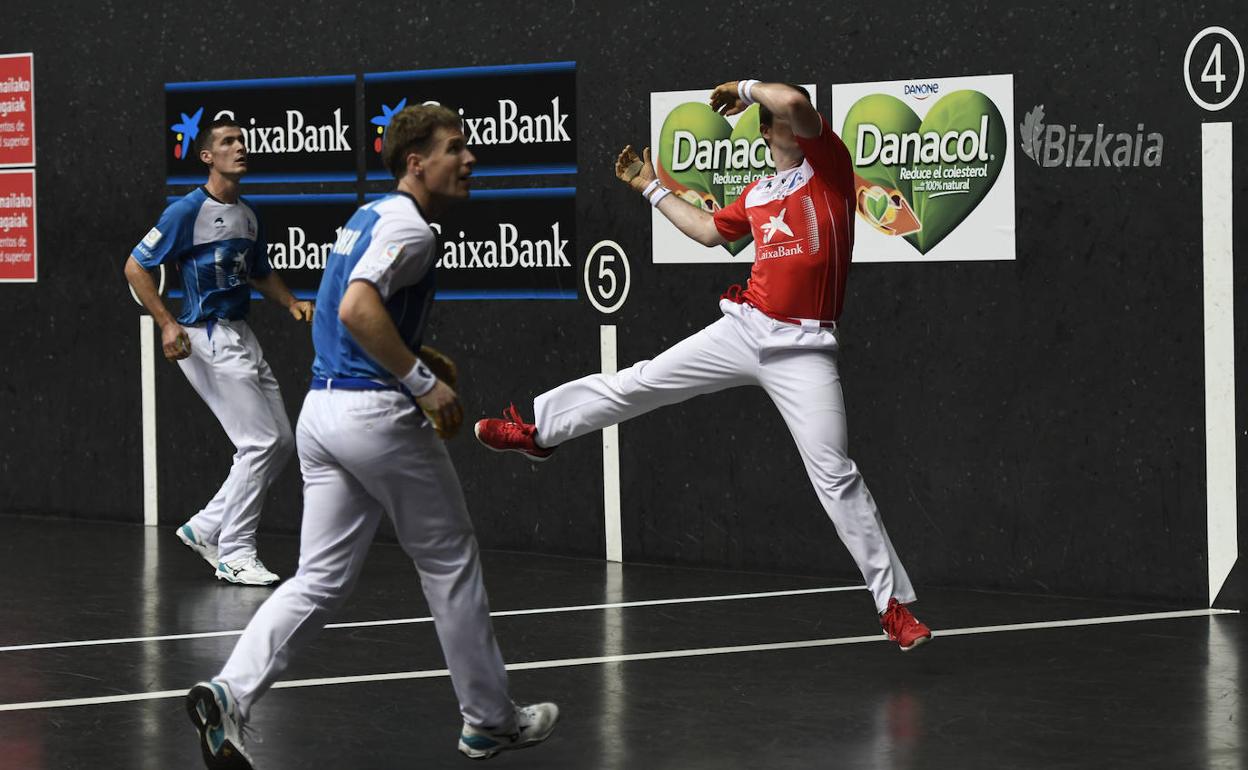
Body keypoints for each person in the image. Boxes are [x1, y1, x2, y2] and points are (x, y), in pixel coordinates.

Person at [475, 79, 932, 651]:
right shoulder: (760, 193)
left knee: (835, 473)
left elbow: (792, 102)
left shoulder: (830, 166)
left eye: (788, 115)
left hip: (805, 350)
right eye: (772, 117)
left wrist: (745, 87)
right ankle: (539, 429)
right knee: (640, 382)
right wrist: (648, 187)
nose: (793, 119)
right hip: (745, 327)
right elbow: (709, 231)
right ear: (766, 134)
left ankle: (892, 606)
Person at [184, 104, 558, 769]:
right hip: (375, 417)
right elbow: (358, 307)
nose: (469, 160)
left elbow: (357, 306)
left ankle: (229, 692)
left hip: (322, 415)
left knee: (319, 578)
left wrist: (406, 357)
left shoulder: (372, 213)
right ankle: (489, 720)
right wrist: (421, 380)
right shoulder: (414, 231)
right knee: (449, 558)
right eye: (455, 149)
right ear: (417, 163)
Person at [125, 118, 313, 587]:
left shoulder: (248, 215)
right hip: (202, 336)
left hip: (240, 333)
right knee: (258, 444)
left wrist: (290, 301)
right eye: (227, 142)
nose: (239, 148)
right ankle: (235, 551)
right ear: (207, 156)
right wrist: (166, 323)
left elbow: (258, 270)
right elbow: (135, 266)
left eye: (242, 140)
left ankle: (205, 528)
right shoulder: (186, 211)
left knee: (280, 444)